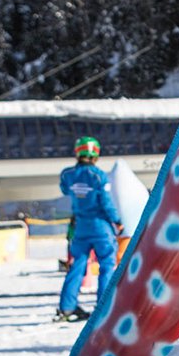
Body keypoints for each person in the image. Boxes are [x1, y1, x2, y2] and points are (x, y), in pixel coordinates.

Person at [55, 137, 122, 322]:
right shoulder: (98, 175)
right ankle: (104, 307)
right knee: (107, 265)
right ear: (96, 154)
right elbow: (106, 202)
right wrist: (117, 220)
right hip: (100, 226)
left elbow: (65, 190)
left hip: (80, 227)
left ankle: (67, 307)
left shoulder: (68, 175)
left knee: (77, 266)